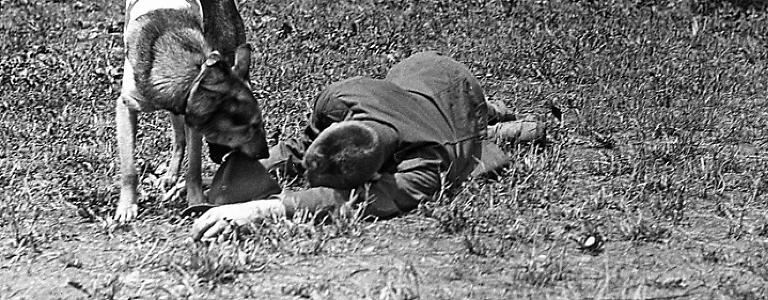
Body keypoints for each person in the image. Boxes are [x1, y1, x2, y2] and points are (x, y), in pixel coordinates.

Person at [191, 50, 542, 240]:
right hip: (417, 69)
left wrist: (264, 209)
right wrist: (222, 184)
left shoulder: (424, 163)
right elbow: (299, 149)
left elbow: (352, 200)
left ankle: (500, 118)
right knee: (461, 120)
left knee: (477, 131)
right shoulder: (340, 99)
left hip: (456, 90)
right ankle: (504, 118)